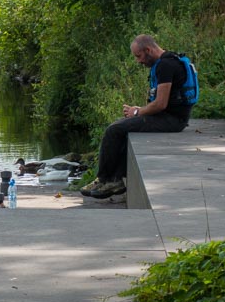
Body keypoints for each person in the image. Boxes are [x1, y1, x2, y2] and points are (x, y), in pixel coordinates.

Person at [81, 35, 195, 199]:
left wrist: (137, 112)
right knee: (122, 128)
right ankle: (114, 180)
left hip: (172, 121)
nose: (138, 61)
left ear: (148, 50)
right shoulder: (167, 61)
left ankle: (105, 179)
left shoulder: (166, 65)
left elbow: (161, 103)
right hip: (171, 117)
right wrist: (138, 111)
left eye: (138, 56)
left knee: (114, 130)